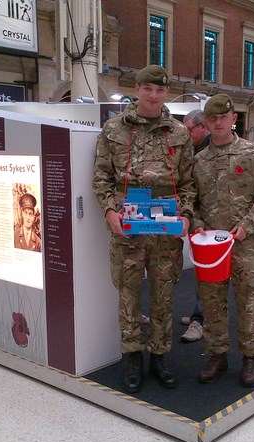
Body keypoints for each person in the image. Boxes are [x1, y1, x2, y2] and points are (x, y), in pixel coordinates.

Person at [93, 65, 195, 393]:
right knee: (129, 295)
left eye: (160, 90)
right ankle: (133, 357)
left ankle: (160, 357)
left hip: (164, 228)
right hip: (128, 228)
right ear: (137, 88)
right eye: (148, 89)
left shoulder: (178, 134)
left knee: (164, 296)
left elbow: (190, 183)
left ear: (166, 92)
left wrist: (188, 216)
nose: (154, 95)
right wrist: (109, 209)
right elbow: (101, 177)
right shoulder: (113, 129)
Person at [191, 94, 254, 388]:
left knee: (250, 299)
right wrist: (197, 223)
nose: (217, 123)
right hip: (210, 246)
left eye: (223, 118)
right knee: (212, 301)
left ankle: (251, 357)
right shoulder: (199, 161)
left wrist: (246, 225)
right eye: (212, 119)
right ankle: (217, 354)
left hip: (244, 243)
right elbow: (191, 200)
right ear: (206, 122)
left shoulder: (253, 154)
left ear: (233, 119)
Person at [179, 109, 211, 343]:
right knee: (201, 272)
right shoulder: (194, 151)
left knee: (209, 275)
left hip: (212, 224)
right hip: (198, 220)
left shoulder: (208, 153)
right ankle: (200, 315)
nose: (186, 134)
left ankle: (201, 320)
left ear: (203, 126)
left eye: (189, 129)